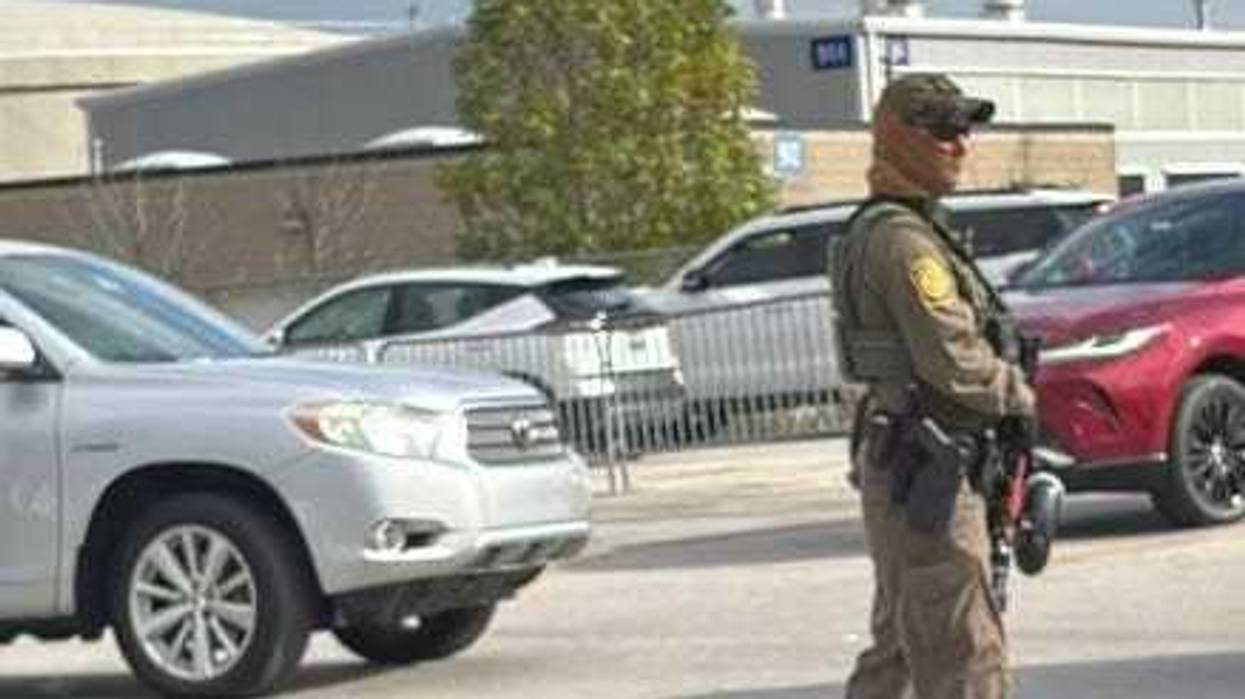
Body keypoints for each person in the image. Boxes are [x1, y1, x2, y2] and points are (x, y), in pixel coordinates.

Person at [832, 74, 1037, 699]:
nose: (960, 145)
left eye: (965, 130)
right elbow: (953, 359)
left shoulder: (903, 229)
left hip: (913, 463)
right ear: (898, 136)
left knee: (899, 647)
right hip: (930, 467)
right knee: (965, 658)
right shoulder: (902, 241)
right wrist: (1021, 395)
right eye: (943, 130)